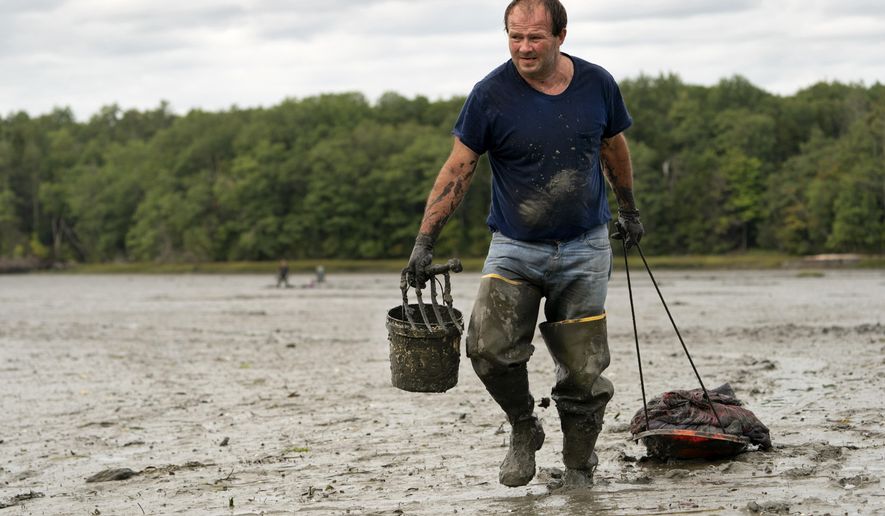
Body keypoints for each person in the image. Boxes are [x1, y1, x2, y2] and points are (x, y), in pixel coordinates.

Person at [405, 0, 644, 489]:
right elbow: (458, 168)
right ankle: (522, 424)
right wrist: (424, 241)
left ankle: (579, 466)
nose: (524, 47)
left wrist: (630, 210)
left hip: (585, 247)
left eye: (535, 37)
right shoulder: (490, 94)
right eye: (515, 37)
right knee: (487, 349)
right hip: (515, 246)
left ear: (560, 34)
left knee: (582, 368)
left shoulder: (597, 84)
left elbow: (614, 148)